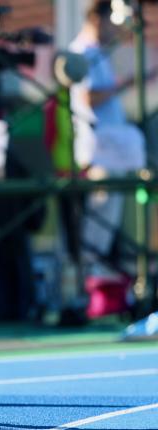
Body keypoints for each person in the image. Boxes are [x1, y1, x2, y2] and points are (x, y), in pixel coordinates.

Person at [70, 0, 146, 277]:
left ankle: (98, 283)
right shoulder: (82, 52)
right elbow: (87, 98)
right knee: (97, 227)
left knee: (107, 224)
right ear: (97, 19)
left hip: (111, 152)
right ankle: (90, 285)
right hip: (99, 153)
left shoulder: (97, 53)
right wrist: (123, 86)